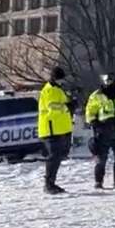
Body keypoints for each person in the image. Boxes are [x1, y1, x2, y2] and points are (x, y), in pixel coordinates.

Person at [38, 66, 74, 194]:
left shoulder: (58, 89)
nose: (61, 81)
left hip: (58, 129)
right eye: (59, 79)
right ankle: (49, 184)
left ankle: (51, 183)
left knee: (57, 157)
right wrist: (67, 107)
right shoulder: (50, 90)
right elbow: (53, 110)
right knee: (53, 157)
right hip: (51, 129)